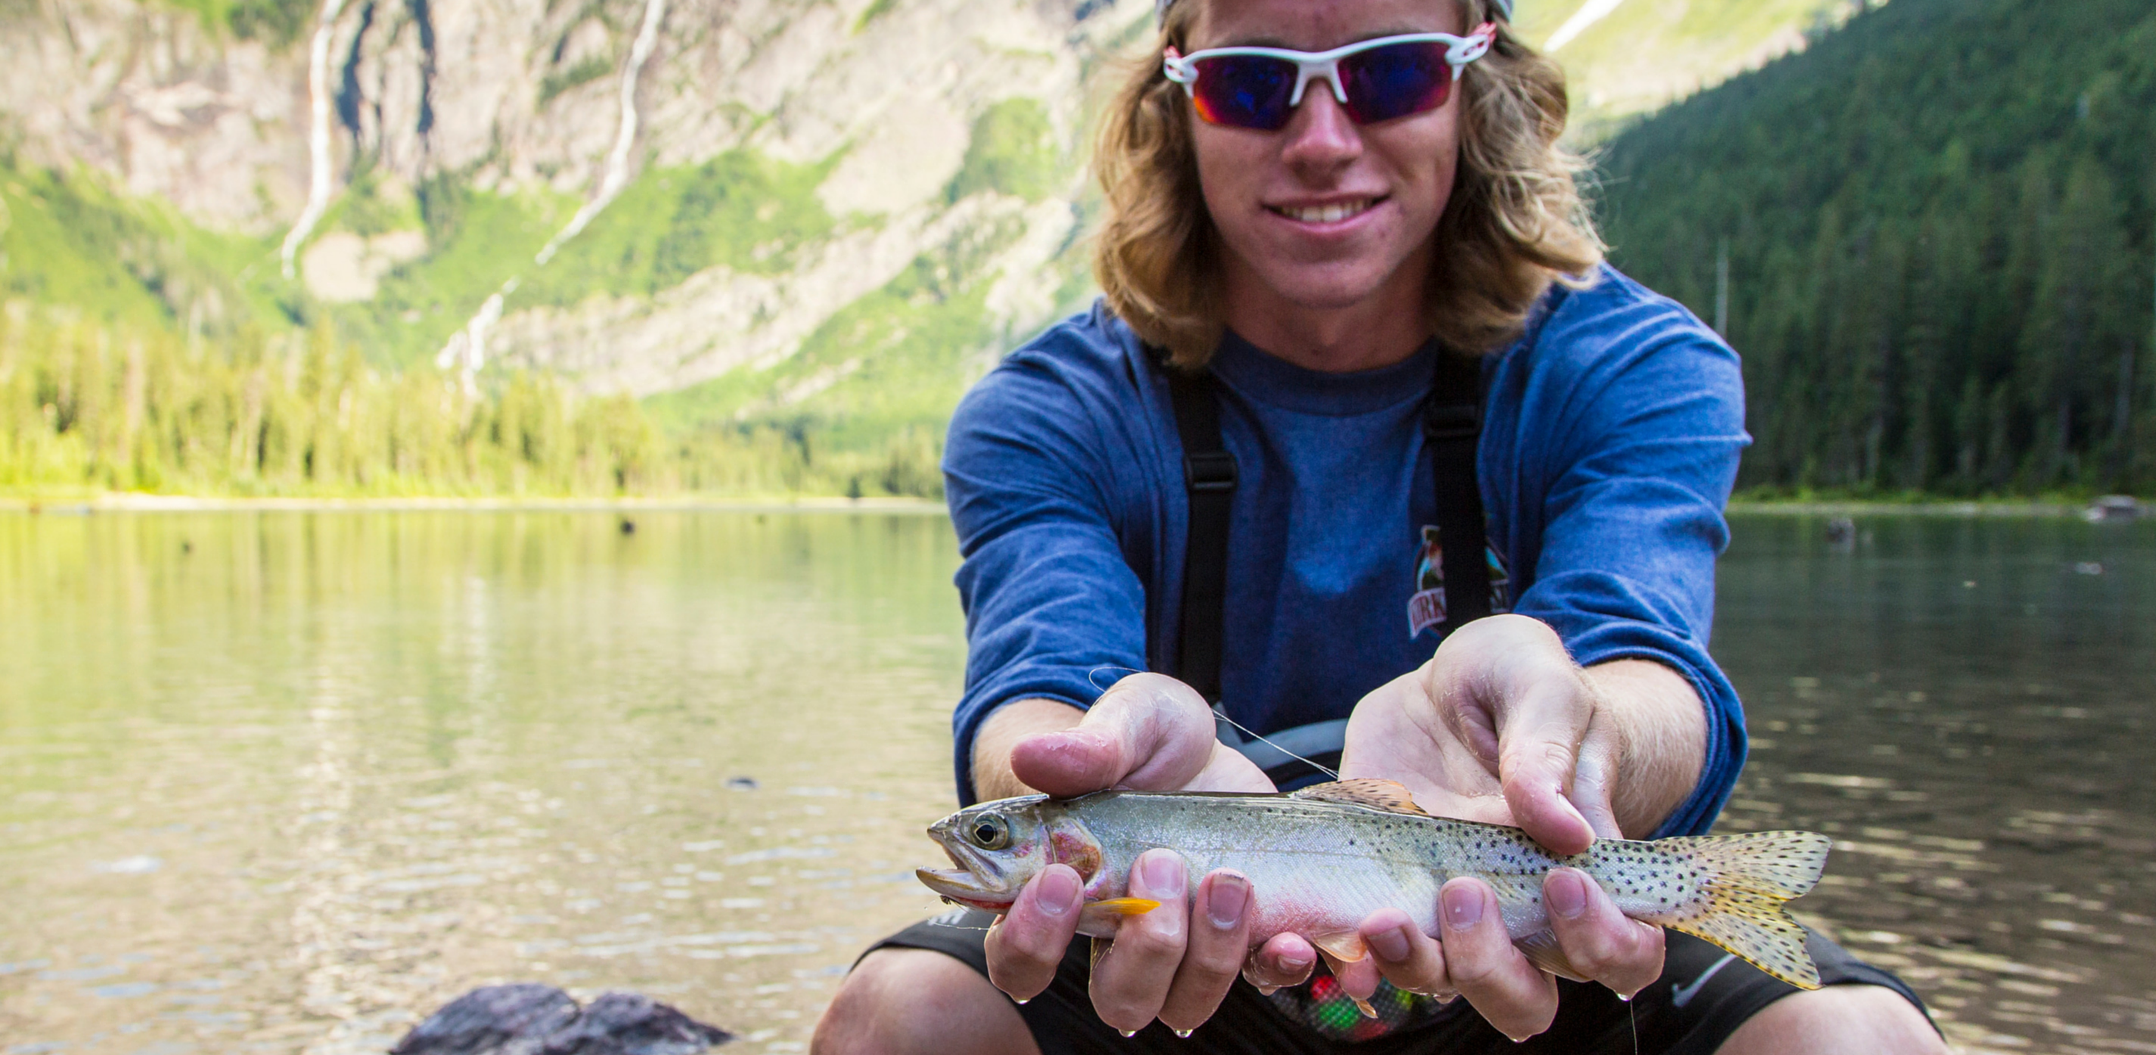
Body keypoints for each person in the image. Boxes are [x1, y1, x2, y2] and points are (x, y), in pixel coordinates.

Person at [810, 0, 1947, 1052]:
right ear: (1176, 98)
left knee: (1860, 1041)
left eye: (1390, 74)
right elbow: (1034, 684)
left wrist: (1574, 733)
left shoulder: (1639, 367)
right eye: (1252, 85)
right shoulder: (1047, 411)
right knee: (898, 1018)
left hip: (1536, 947)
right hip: (1163, 968)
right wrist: (1047, 768)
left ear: (1475, 83)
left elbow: (1646, 657)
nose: (1319, 139)